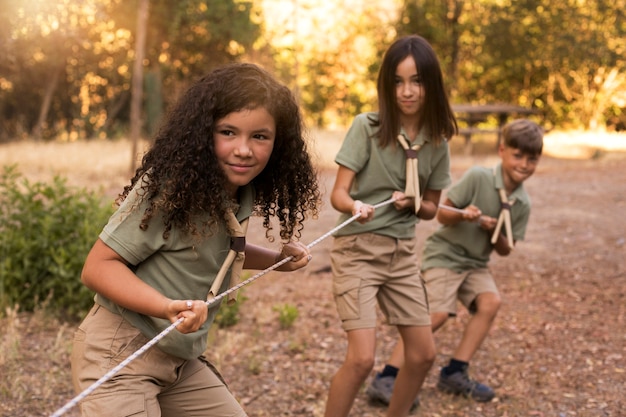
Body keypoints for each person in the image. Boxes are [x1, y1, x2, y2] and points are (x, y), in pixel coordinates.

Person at [70, 63, 321, 417]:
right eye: (228, 132)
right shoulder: (168, 189)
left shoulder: (239, 192)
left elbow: (221, 252)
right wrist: (165, 307)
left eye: (259, 137)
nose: (243, 149)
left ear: (278, 144)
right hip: (120, 353)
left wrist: (278, 258)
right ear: (203, 133)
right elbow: (97, 268)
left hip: (178, 363)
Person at [323, 35, 457, 417]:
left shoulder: (437, 140)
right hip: (357, 251)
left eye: (416, 81)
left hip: (401, 254)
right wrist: (357, 205)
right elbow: (339, 195)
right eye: (397, 82)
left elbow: (432, 208)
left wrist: (415, 203)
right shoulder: (366, 126)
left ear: (431, 84)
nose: (407, 91)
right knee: (362, 360)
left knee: (423, 354)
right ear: (387, 84)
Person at [371, 118, 543, 404]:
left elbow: (504, 250)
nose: (524, 164)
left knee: (490, 303)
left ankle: (454, 372)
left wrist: (494, 231)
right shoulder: (479, 177)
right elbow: (442, 215)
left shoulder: (522, 203)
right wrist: (464, 214)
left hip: (475, 263)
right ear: (502, 150)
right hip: (445, 254)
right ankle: (387, 376)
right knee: (437, 313)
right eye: (518, 155)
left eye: (532, 159)